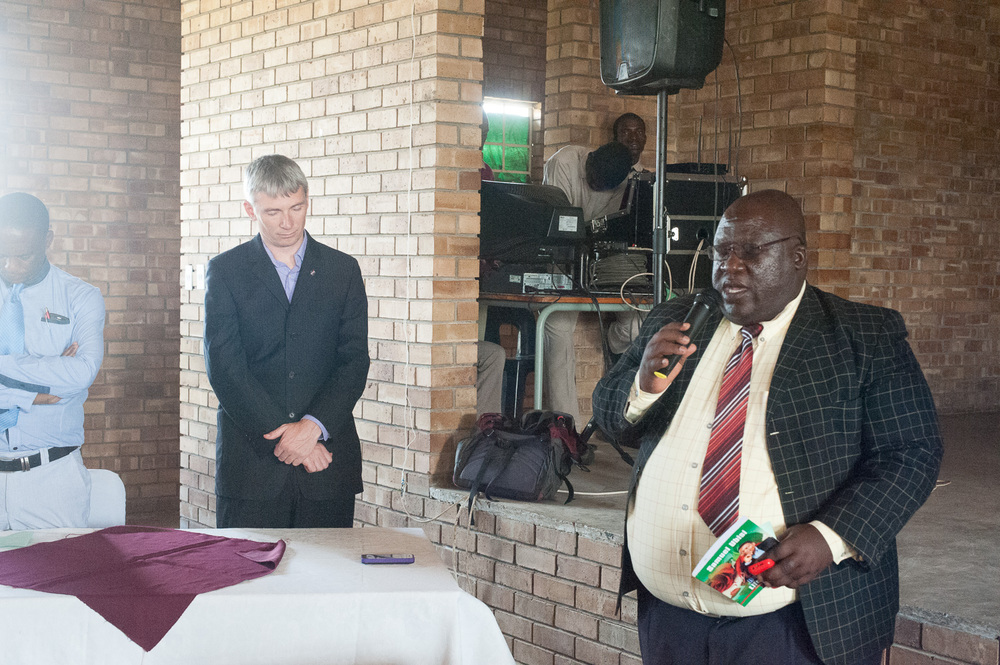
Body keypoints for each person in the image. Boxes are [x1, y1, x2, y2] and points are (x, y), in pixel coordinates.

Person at [592, 189, 943, 665]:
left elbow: (912, 453)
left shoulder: (864, 336)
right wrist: (643, 385)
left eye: (751, 252)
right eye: (721, 252)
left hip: (798, 625)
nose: (729, 267)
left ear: (797, 257)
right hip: (670, 621)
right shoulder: (679, 319)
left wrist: (830, 537)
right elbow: (608, 416)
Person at [204, 154, 370, 528]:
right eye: (273, 212)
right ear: (250, 209)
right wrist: (292, 442)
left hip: (327, 467)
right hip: (252, 469)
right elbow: (226, 368)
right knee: (246, 568)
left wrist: (313, 428)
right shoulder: (226, 271)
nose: (288, 222)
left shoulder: (343, 270)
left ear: (307, 200)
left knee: (327, 568)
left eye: (296, 207)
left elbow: (354, 361)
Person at [0, 192, 105, 530]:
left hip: (53, 481)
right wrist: (33, 390)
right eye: (2, 254)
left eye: (23, 256)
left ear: (47, 240)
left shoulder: (81, 297)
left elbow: (82, 372)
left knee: (58, 565)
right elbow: (63, 379)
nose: (10, 266)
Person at [540, 141, 632, 421]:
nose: (597, 187)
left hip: (605, 262)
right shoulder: (564, 163)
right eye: (594, 180)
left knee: (637, 322)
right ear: (589, 159)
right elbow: (556, 223)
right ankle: (566, 426)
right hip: (561, 259)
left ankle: (613, 340)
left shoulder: (630, 178)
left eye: (605, 186)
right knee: (557, 327)